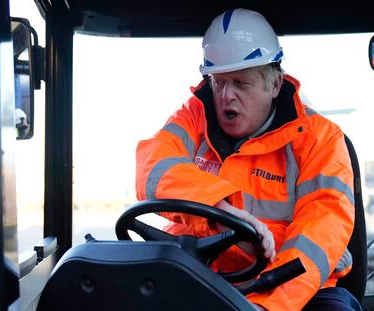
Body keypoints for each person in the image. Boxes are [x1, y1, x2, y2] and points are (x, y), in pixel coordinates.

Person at [135, 8, 361, 311]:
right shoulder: (194, 117)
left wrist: (266, 306)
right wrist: (217, 212)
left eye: (241, 83)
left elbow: (321, 231)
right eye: (219, 82)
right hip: (200, 276)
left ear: (274, 85)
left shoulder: (320, 138)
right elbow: (154, 165)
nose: (226, 96)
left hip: (297, 291)